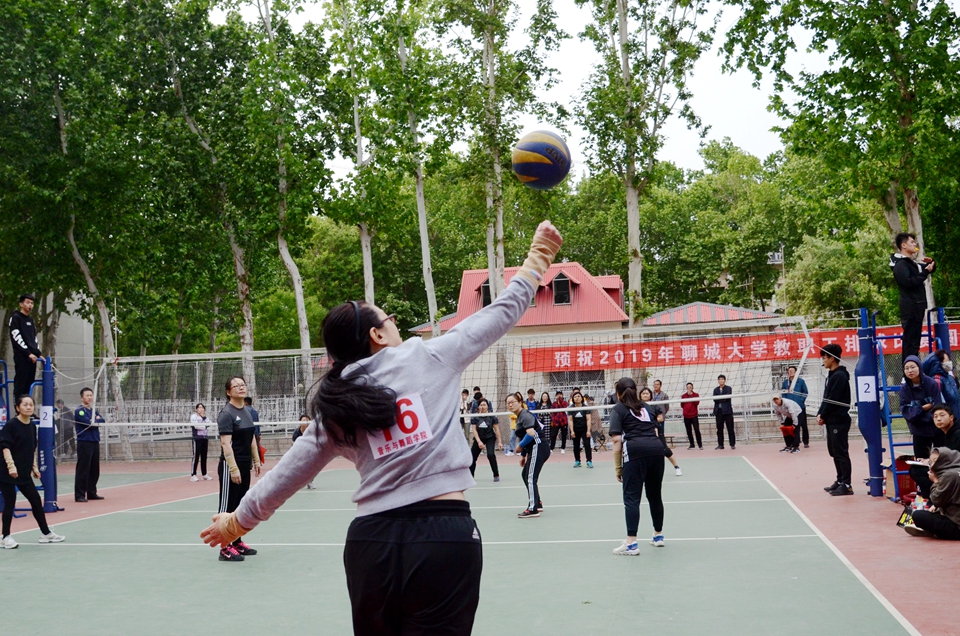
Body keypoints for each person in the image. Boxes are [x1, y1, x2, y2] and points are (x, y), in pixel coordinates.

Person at [200, 220, 562, 634]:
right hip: (443, 535)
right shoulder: (429, 357)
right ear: (377, 334)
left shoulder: (336, 402)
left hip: (370, 542)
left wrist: (237, 522)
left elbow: (287, 474)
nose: (394, 324)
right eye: (389, 319)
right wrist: (538, 257)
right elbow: (501, 312)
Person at [609, 377, 667, 555]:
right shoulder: (647, 407)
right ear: (635, 391)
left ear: (618, 394)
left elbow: (617, 440)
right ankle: (658, 536)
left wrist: (618, 467)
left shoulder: (618, 409)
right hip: (656, 450)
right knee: (655, 495)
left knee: (632, 498)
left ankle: (631, 544)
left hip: (635, 452)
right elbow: (655, 430)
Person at [1, 395, 65, 548]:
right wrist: (11, 466)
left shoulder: (31, 426)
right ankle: (5, 537)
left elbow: (31, 449)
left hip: (24, 473)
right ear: (18, 408)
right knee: (10, 503)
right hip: (7, 472)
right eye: (25, 405)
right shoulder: (11, 425)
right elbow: (5, 447)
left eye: (31, 404)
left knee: (36, 501)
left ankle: (45, 533)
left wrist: (34, 468)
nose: (29, 407)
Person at [216, 377, 262, 562]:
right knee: (227, 508)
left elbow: (251, 439)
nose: (241, 388)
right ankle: (224, 548)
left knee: (240, 507)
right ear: (229, 392)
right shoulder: (226, 414)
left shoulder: (247, 411)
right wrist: (233, 469)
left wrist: (256, 459)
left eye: (243, 385)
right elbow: (225, 444)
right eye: (236, 386)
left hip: (245, 464)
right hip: (230, 467)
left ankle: (236, 542)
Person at [890, 232, 935, 360]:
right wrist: (925, 272)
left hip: (917, 306)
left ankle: (912, 366)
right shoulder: (900, 264)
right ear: (903, 245)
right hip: (911, 307)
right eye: (912, 242)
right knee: (910, 342)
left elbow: (927, 268)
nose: (915, 244)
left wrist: (932, 262)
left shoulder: (911, 263)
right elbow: (909, 282)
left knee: (915, 341)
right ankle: (909, 368)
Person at [817, 344, 853, 496]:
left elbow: (833, 400)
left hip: (839, 420)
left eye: (824, 358)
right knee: (834, 452)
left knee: (841, 452)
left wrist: (824, 415)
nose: (823, 361)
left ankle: (847, 484)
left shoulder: (840, 376)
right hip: (831, 421)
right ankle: (840, 480)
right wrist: (820, 414)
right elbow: (826, 398)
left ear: (832, 358)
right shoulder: (831, 375)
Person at [509, 391, 550, 518]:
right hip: (534, 448)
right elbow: (525, 437)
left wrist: (520, 446)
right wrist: (523, 456)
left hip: (539, 446)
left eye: (513, 402)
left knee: (530, 477)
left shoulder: (525, 415)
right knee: (525, 474)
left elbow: (531, 433)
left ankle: (533, 509)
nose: (510, 405)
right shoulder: (519, 417)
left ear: (520, 402)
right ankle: (537, 502)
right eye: (508, 403)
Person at [904, 447, 960, 540]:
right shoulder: (955, 472)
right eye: (930, 462)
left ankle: (932, 531)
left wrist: (935, 482)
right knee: (932, 508)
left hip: (957, 526)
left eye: (935, 461)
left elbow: (936, 499)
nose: (932, 465)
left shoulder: (948, 476)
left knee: (917, 515)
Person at [908, 404, 960, 496]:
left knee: (918, 471)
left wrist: (931, 463)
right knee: (916, 468)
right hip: (952, 470)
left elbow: (953, 460)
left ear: (951, 417)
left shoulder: (957, 434)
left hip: (955, 472)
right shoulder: (946, 432)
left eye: (942, 415)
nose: (938, 419)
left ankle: (939, 497)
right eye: (935, 417)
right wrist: (929, 461)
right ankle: (935, 497)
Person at [900, 355, 945, 459]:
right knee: (921, 462)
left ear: (919, 368)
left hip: (936, 429)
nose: (910, 370)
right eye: (906, 368)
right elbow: (907, 413)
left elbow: (937, 407)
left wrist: (917, 413)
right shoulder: (904, 389)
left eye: (913, 367)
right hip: (919, 431)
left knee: (941, 460)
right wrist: (923, 408)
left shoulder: (932, 384)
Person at [8, 293, 45, 400]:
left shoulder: (30, 320)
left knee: (30, 383)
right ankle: (18, 406)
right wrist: (28, 353)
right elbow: (16, 337)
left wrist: (38, 354)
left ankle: (27, 405)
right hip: (21, 356)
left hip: (32, 358)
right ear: (21, 304)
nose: (30, 305)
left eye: (32, 303)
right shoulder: (15, 318)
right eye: (28, 302)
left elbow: (34, 338)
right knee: (21, 383)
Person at [74, 387, 105, 503]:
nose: (89, 397)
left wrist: (97, 419)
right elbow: (89, 423)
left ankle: (92, 492)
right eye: (87, 395)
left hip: (94, 441)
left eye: (91, 395)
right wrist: (96, 420)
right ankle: (79, 494)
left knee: (94, 469)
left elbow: (102, 420)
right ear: (82, 398)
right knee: (83, 469)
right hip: (84, 442)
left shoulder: (93, 411)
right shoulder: (79, 411)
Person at [640, 387, 681, 476]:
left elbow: (661, 418)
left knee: (664, 449)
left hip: (655, 430)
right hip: (642, 431)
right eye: (643, 393)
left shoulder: (654, 406)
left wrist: (650, 421)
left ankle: (677, 467)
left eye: (647, 393)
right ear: (640, 395)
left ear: (650, 395)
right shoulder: (638, 406)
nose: (645, 395)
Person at [469, 401, 501, 482]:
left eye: (484, 405)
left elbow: (497, 430)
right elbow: (474, 430)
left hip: (490, 437)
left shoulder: (492, 417)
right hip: (479, 438)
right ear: (478, 407)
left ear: (487, 406)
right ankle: (470, 476)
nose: (482, 406)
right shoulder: (475, 417)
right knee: (472, 457)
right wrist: (479, 442)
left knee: (490, 455)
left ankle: (496, 475)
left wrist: (500, 442)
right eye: (481, 405)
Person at [921, 350, 960, 416]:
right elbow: (940, 404)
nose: (949, 363)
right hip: (948, 419)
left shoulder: (949, 377)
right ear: (938, 363)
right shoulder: (937, 381)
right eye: (947, 360)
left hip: (955, 417)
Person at [781, 366, 810, 448]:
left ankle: (806, 441)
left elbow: (805, 392)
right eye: (789, 371)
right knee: (791, 425)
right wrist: (785, 403)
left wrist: (801, 400)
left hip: (800, 407)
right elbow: (783, 393)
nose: (791, 372)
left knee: (803, 425)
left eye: (792, 371)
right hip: (790, 408)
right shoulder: (785, 383)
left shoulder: (801, 381)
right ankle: (793, 442)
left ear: (796, 372)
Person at [568, 391, 593, 468]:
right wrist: (572, 431)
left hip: (584, 429)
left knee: (587, 445)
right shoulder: (571, 408)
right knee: (576, 446)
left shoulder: (585, 407)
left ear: (582, 398)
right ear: (573, 399)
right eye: (575, 397)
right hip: (575, 429)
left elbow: (588, 419)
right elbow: (570, 420)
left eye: (579, 396)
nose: (577, 398)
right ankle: (577, 461)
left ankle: (589, 461)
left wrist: (588, 430)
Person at [190, 403, 213, 482]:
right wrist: (205, 426)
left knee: (204, 457)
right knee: (196, 456)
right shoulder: (193, 416)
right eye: (199, 407)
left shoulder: (205, 417)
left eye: (202, 407)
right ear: (196, 409)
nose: (201, 409)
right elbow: (196, 426)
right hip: (197, 438)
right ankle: (193, 474)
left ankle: (204, 474)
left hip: (204, 438)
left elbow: (209, 423)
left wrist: (204, 419)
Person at [293, 414, 316, 489]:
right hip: (299, 451)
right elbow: (294, 445)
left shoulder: (312, 431)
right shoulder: (296, 433)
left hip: (310, 450)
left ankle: (310, 481)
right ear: (300, 422)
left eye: (307, 420)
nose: (305, 422)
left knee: (312, 467)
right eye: (303, 420)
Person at [712, 375, 735, 450]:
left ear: (725, 380)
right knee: (719, 429)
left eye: (722, 379)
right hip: (719, 411)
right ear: (718, 381)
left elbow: (727, 398)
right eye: (719, 379)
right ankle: (720, 445)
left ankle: (732, 444)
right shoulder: (715, 390)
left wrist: (720, 398)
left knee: (730, 428)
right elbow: (715, 399)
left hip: (727, 411)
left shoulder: (728, 388)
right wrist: (722, 398)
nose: (721, 380)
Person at [681, 382, 702, 450]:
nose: (689, 388)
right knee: (688, 431)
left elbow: (697, 403)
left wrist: (691, 395)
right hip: (686, 416)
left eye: (690, 387)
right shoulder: (683, 396)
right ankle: (692, 444)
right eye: (688, 387)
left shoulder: (696, 395)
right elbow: (682, 405)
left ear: (692, 388)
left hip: (694, 415)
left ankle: (700, 445)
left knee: (696, 430)